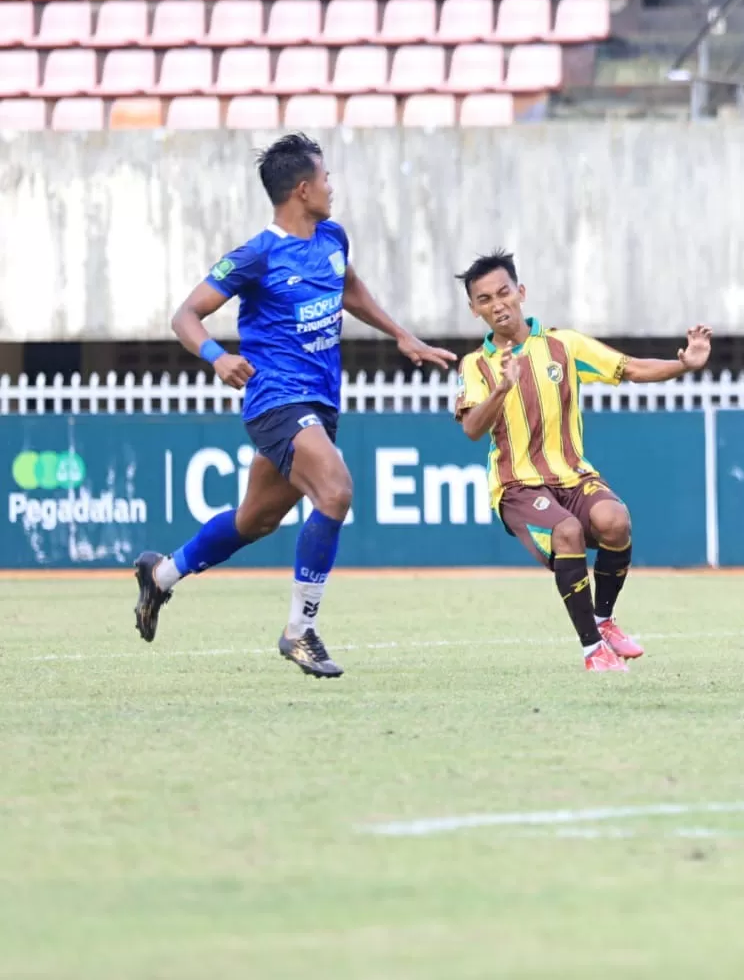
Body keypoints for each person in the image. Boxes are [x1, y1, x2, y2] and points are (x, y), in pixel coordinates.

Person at [131, 134, 455, 678]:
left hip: (320, 403)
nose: (332, 186)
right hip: (275, 400)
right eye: (326, 179)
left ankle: (160, 575)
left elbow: (348, 287)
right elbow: (186, 314)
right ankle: (300, 631)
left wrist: (402, 335)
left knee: (254, 520)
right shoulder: (257, 254)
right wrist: (215, 356)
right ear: (303, 190)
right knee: (336, 489)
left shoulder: (332, 237)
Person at [454, 250, 713, 673]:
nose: (497, 304)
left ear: (521, 292)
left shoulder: (563, 345)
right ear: (474, 309)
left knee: (615, 520)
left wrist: (684, 364)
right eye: (485, 299)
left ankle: (603, 620)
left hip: (573, 476)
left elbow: (628, 368)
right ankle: (593, 651)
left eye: (503, 293)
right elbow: (471, 429)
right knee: (567, 531)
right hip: (517, 486)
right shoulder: (475, 365)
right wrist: (502, 388)